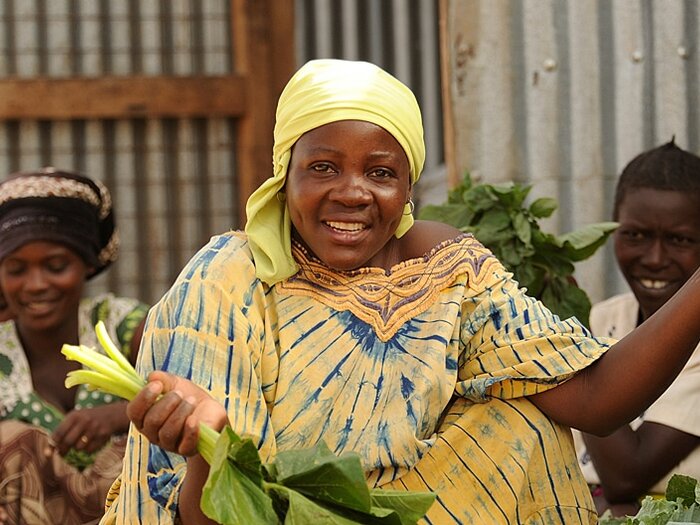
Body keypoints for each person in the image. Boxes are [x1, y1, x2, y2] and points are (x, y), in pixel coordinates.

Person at [100, 59, 700, 525]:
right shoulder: (230, 278)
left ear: (409, 184)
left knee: (523, 421)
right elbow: (214, 514)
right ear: (285, 176)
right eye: (324, 168)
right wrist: (207, 449)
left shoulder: (444, 268)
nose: (353, 193)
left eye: (380, 172)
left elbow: (594, 398)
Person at [0, 168, 150, 525]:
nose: (35, 285)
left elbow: (197, 398)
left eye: (55, 266)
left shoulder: (125, 326)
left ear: (86, 264)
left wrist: (119, 415)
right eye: (16, 269)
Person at [573, 139, 700, 517]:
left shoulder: (580, 335)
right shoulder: (603, 317)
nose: (655, 259)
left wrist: (569, 347)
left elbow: (627, 475)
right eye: (635, 235)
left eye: (680, 240)